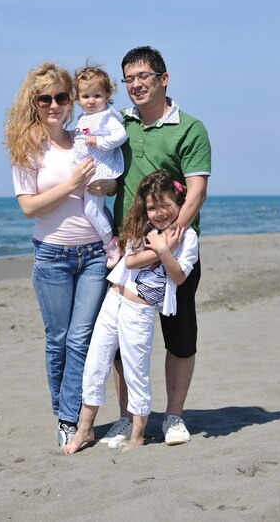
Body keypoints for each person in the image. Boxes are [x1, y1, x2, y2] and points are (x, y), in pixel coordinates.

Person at [101, 45, 211, 447]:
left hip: (174, 252)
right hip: (126, 252)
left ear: (163, 79)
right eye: (129, 78)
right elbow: (115, 177)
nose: (136, 85)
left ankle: (174, 417)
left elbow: (196, 191)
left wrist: (170, 240)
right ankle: (126, 417)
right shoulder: (119, 126)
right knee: (119, 341)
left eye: (143, 76)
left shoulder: (190, 128)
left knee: (179, 337)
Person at [4, 62, 109, 449]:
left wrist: (106, 182)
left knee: (81, 338)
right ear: (34, 102)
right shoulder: (27, 145)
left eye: (61, 97)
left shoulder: (84, 137)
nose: (54, 104)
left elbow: (106, 185)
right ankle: (63, 415)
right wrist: (71, 185)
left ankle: (72, 418)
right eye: (44, 98)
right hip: (52, 256)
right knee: (59, 339)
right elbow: (29, 208)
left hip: (94, 254)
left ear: (71, 101)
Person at [64, 170, 199, 454]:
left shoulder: (187, 238)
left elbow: (178, 277)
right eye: (152, 207)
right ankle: (85, 429)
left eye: (165, 205)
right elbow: (132, 262)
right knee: (96, 363)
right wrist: (162, 247)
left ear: (179, 202)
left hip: (140, 311)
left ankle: (137, 436)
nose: (159, 213)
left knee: (136, 370)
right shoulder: (145, 230)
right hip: (114, 300)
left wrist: (166, 250)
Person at [73, 65, 127, 268]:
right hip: (87, 168)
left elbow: (121, 135)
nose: (91, 101)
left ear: (107, 95)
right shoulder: (83, 118)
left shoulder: (107, 116)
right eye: (85, 96)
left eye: (97, 95)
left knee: (91, 210)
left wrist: (100, 142)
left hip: (100, 169)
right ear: (78, 99)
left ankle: (110, 244)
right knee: (95, 208)